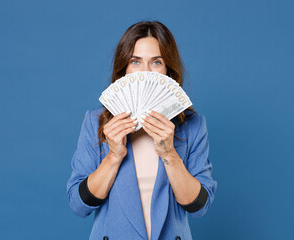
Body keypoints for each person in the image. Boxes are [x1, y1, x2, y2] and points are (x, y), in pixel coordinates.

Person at [67, 21, 217, 240]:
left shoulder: (192, 125)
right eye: (135, 61)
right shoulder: (96, 123)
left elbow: (199, 207)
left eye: (156, 62)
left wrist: (169, 154)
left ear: (168, 70)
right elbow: (78, 206)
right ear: (124, 69)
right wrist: (114, 156)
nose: (145, 72)